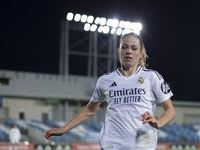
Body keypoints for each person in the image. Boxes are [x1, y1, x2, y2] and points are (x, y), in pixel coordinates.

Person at [44, 32, 176, 150]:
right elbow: (90, 109)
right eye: (125, 47)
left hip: (142, 145)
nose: (128, 51)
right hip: (111, 145)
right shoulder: (105, 80)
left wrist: (158, 123)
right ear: (119, 51)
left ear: (140, 54)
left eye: (134, 48)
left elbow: (170, 110)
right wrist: (64, 129)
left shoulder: (152, 77)